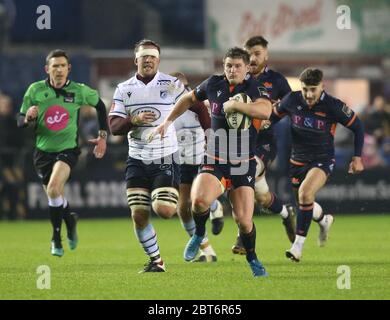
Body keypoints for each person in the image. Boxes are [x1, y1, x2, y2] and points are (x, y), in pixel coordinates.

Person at [154, 47, 272, 277]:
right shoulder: (213, 83)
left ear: (247, 68)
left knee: (244, 222)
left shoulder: (254, 87)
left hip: (242, 162)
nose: (232, 69)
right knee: (197, 201)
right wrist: (167, 122)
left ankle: (252, 257)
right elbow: (188, 99)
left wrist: (238, 106)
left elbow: (265, 111)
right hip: (215, 158)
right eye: (228, 65)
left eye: (238, 66)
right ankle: (199, 234)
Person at [17, 49, 108, 257]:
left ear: (69, 69)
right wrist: (27, 118)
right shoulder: (35, 90)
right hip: (42, 153)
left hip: (68, 151)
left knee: (53, 188)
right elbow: (19, 121)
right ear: (47, 69)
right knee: (54, 194)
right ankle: (70, 220)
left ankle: (56, 238)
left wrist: (102, 136)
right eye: (54, 66)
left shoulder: (78, 90)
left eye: (62, 66)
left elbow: (100, 106)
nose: (59, 69)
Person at [270, 68, 364, 262]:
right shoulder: (291, 100)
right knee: (304, 202)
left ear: (323, 86)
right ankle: (324, 220)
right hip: (297, 160)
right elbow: (272, 118)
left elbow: (358, 127)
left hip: (322, 160)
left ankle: (297, 247)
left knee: (305, 194)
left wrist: (357, 157)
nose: (309, 94)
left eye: (313, 89)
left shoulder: (333, 106)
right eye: (305, 89)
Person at [108, 39, 185, 273]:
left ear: (158, 60)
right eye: (144, 56)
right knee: (139, 215)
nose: (148, 60)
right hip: (137, 158)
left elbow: (197, 105)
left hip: (164, 156)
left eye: (152, 56)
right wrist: (134, 120)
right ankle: (157, 261)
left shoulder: (172, 84)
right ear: (136, 60)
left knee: (164, 209)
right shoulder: (123, 88)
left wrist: (208, 130)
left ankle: (195, 202)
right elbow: (113, 126)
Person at [231, 36, 296, 255]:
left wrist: (273, 116)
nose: (253, 58)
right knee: (262, 196)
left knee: (245, 172)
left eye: (257, 53)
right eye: (249, 53)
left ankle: (243, 234)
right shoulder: (238, 78)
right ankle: (286, 213)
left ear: (266, 55)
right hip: (240, 142)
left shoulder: (276, 80)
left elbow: (293, 105)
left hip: (264, 143)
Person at [170, 72, 221, 262]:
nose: (177, 90)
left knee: (199, 199)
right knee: (183, 209)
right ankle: (207, 251)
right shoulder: (168, 106)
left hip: (202, 157)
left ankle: (216, 206)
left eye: (181, 86)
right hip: (182, 162)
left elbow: (212, 123)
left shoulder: (198, 103)